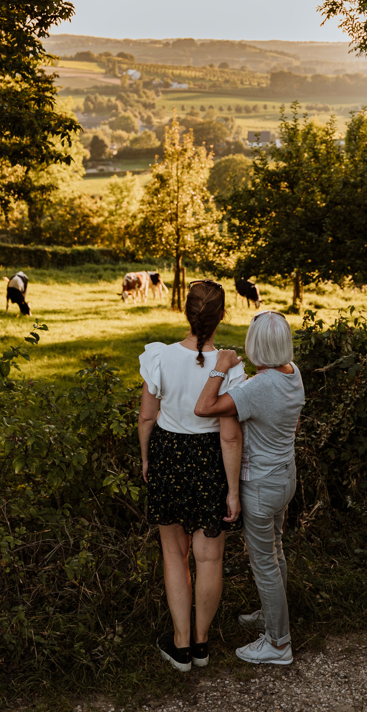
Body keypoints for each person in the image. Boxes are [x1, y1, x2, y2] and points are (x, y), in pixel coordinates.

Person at [138, 280, 245, 672]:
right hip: (210, 459)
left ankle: (180, 645)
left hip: (168, 452)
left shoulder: (159, 357)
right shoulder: (230, 366)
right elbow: (231, 436)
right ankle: (201, 645)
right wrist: (232, 490)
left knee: (174, 554)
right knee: (210, 556)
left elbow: (148, 417)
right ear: (221, 317)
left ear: (187, 312)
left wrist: (147, 459)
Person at [194, 310, 304, 666]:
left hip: (260, 486)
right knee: (277, 551)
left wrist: (220, 368)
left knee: (265, 564)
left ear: (255, 344)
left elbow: (204, 407)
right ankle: (272, 615)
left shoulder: (258, 387)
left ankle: (277, 643)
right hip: (285, 475)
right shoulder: (293, 373)